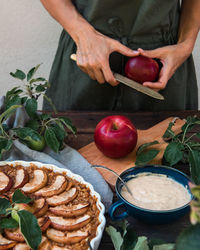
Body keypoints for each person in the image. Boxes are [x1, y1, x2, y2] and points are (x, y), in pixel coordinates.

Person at [40, 0, 200, 112]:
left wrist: (185, 45)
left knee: (173, 153)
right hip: (87, 59)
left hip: (164, 64)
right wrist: (84, 35)